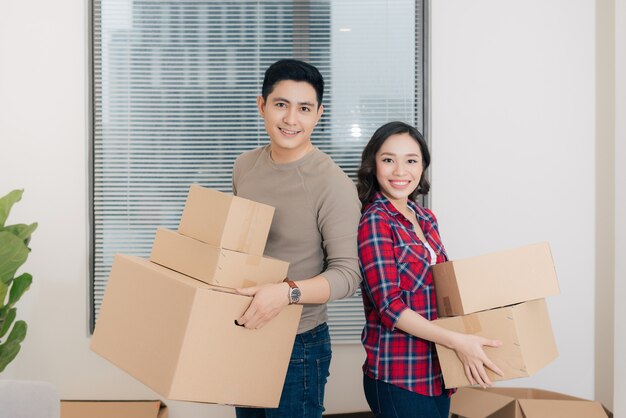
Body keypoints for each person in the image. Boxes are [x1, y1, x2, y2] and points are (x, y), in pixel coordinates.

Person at [232, 59, 362, 417]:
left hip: (299, 345)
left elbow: (348, 275)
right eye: (281, 105)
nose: (291, 119)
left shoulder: (332, 184)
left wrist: (286, 294)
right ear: (262, 105)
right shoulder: (244, 166)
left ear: (318, 114)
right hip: (246, 329)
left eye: (304, 108)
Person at [356, 121, 503, 418]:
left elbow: (443, 288)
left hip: (438, 370)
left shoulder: (425, 217)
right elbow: (389, 308)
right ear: (373, 165)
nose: (400, 171)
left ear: (423, 166)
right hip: (399, 375)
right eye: (388, 160)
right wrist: (458, 341)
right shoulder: (375, 220)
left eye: (411, 160)